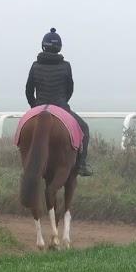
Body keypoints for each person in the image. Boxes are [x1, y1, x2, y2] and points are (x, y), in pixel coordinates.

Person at [25, 28, 93, 176]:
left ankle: (23, 158)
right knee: (84, 129)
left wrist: (35, 107)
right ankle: (81, 164)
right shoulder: (66, 66)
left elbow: (29, 90)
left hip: (39, 107)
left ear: (43, 46)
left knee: (23, 128)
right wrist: (62, 104)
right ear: (59, 47)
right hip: (61, 106)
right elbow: (70, 89)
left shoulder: (35, 66)